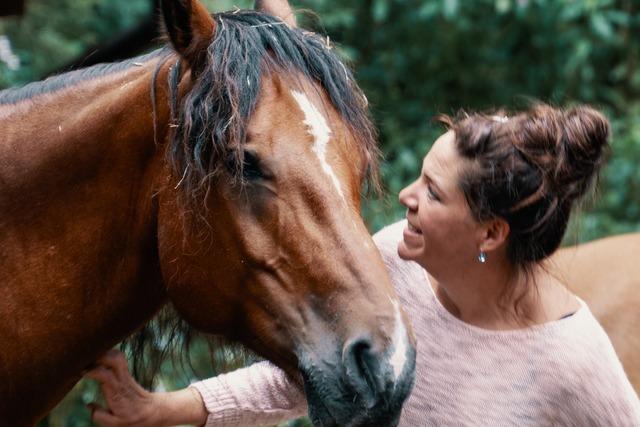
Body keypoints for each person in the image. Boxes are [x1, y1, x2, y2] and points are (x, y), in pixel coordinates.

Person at [85, 104, 640, 426]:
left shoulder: (573, 362)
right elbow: (301, 377)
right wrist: (162, 410)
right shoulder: (397, 261)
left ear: (491, 233)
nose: (405, 195)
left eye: (433, 192)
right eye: (419, 176)